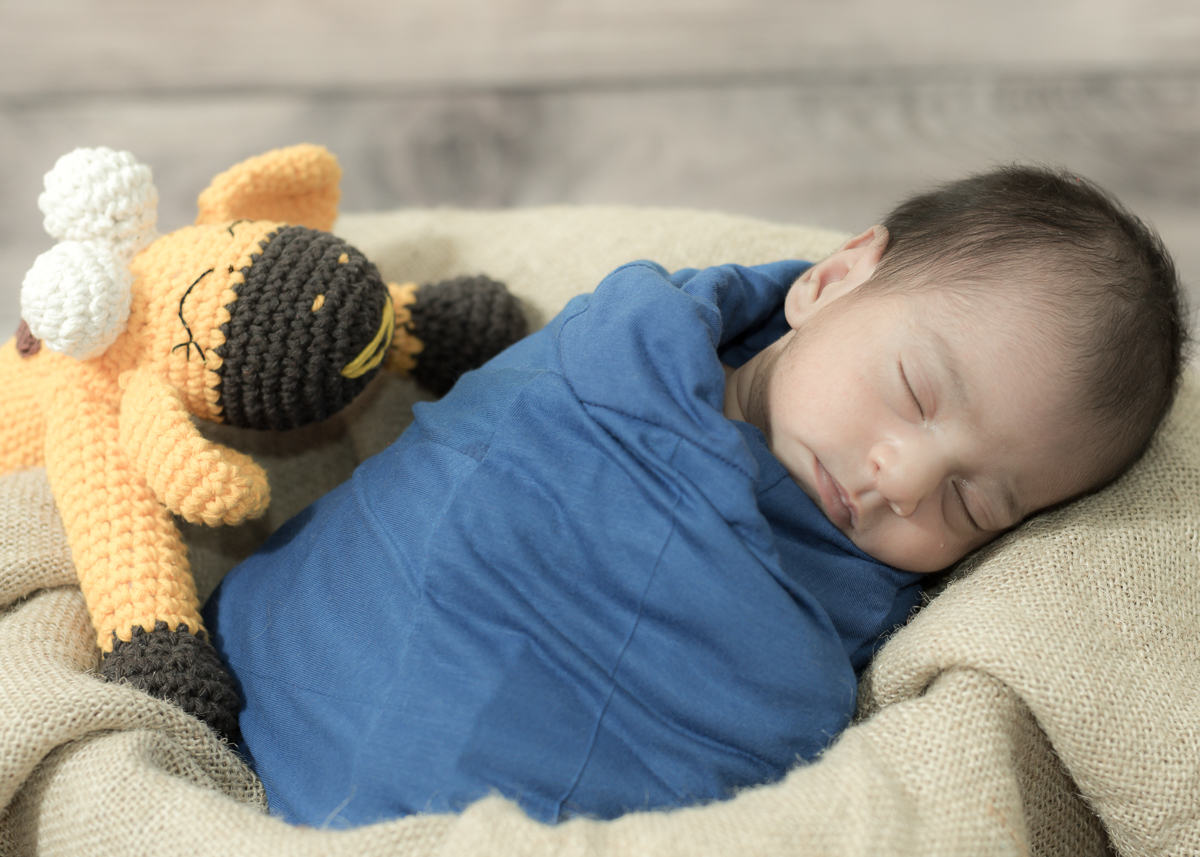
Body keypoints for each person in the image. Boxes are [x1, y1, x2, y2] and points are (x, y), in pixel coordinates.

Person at [203, 165, 1188, 828]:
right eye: (916, 395)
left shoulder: (871, 599)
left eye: (975, 501)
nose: (905, 479)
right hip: (279, 701)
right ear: (836, 278)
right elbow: (466, 485)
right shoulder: (615, 359)